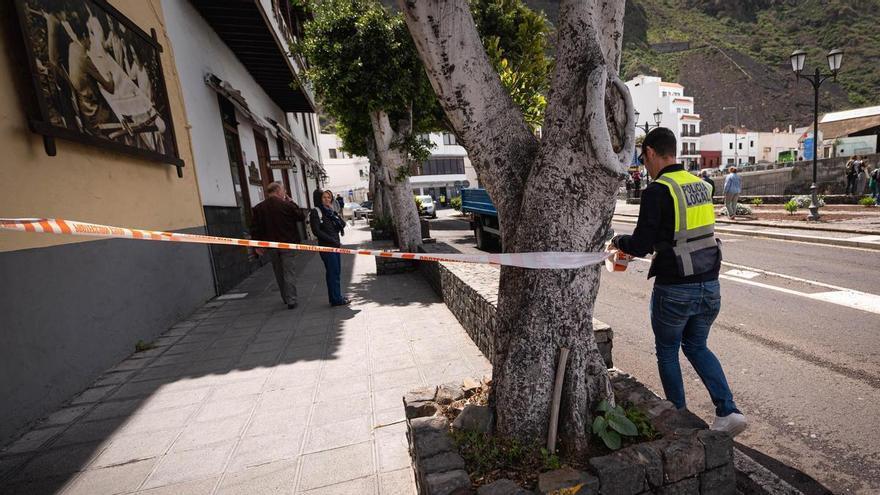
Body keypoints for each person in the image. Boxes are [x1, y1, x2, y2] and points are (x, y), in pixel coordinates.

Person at [610, 127, 747, 437]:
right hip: (710, 284)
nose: (644, 165)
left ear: (652, 153)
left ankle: (679, 419)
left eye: (644, 158)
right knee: (697, 346)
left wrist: (616, 239)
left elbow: (642, 243)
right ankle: (728, 411)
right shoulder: (702, 185)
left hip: (675, 288)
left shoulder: (657, 190)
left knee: (668, 351)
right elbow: (681, 230)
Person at [251, 182, 306, 309]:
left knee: (279, 272)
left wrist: (257, 246)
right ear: (277, 191)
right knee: (289, 272)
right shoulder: (286, 205)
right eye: (283, 190)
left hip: (271, 246)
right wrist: (292, 202)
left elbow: (255, 228)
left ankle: (285, 298)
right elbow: (301, 216)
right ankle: (292, 299)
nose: (285, 193)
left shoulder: (259, 208)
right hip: (287, 244)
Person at [310, 190, 350, 306]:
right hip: (327, 247)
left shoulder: (331, 212)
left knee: (335, 272)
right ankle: (336, 299)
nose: (327, 200)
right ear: (319, 199)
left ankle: (335, 297)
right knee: (333, 272)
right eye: (324, 197)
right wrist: (331, 240)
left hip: (335, 246)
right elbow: (316, 231)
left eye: (329, 197)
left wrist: (335, 213)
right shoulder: (316, 212)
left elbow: (342, 225)